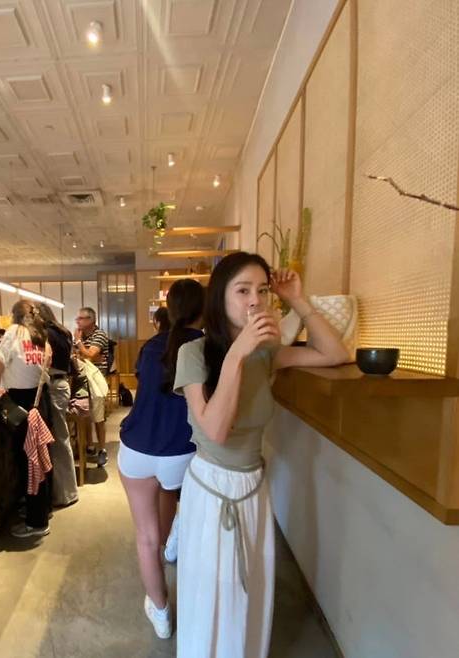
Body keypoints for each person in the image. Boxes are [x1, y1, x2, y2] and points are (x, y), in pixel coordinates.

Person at [174, 252, 348, 658]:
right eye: (243, 290)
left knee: (249, 590)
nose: (255, 300)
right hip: (211, 488)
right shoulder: (194, 353)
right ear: (220, 298)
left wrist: (298, 300)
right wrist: (237, 353)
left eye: (263, 290)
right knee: (214, 593)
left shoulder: (267, 353)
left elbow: (335, 354)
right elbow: (216, 431)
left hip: (253, 487)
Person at [118, 279, 205, 639]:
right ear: (204, 311)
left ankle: (161, 612)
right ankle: (175, 539)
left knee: (146, 538)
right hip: (182, 452)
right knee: (169, 489)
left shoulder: (150, 347)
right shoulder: (208, 347)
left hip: (137, 449)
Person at [0, 300, 53, 538]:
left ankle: (36, 522)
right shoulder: (40, 335)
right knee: (41, 459)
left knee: (29, 462)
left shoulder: (14, 332)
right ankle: (43, 510)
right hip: (40, 401)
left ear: (13, 315)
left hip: (21, 404)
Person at [37, 303, 78, 507]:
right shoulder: (63, 332)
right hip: (62, 384)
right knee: (61, 439)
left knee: (58, 440)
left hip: (54, 386)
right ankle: (65, 491)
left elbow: (44, 362)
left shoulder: (46, 334)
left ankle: (65, 494)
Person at [73, 307, 110, 467]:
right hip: (82, 380)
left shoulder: (99, 334)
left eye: (81, 318)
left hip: (96, 381)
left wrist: (79, 344)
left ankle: (102, 450)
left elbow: (90, 355)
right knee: (85, 414)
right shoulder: (82, 336)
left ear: (91, 320)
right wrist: (85, 353)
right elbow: (77, 356)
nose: (78, 321)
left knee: (98, 417)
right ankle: (89, 446)